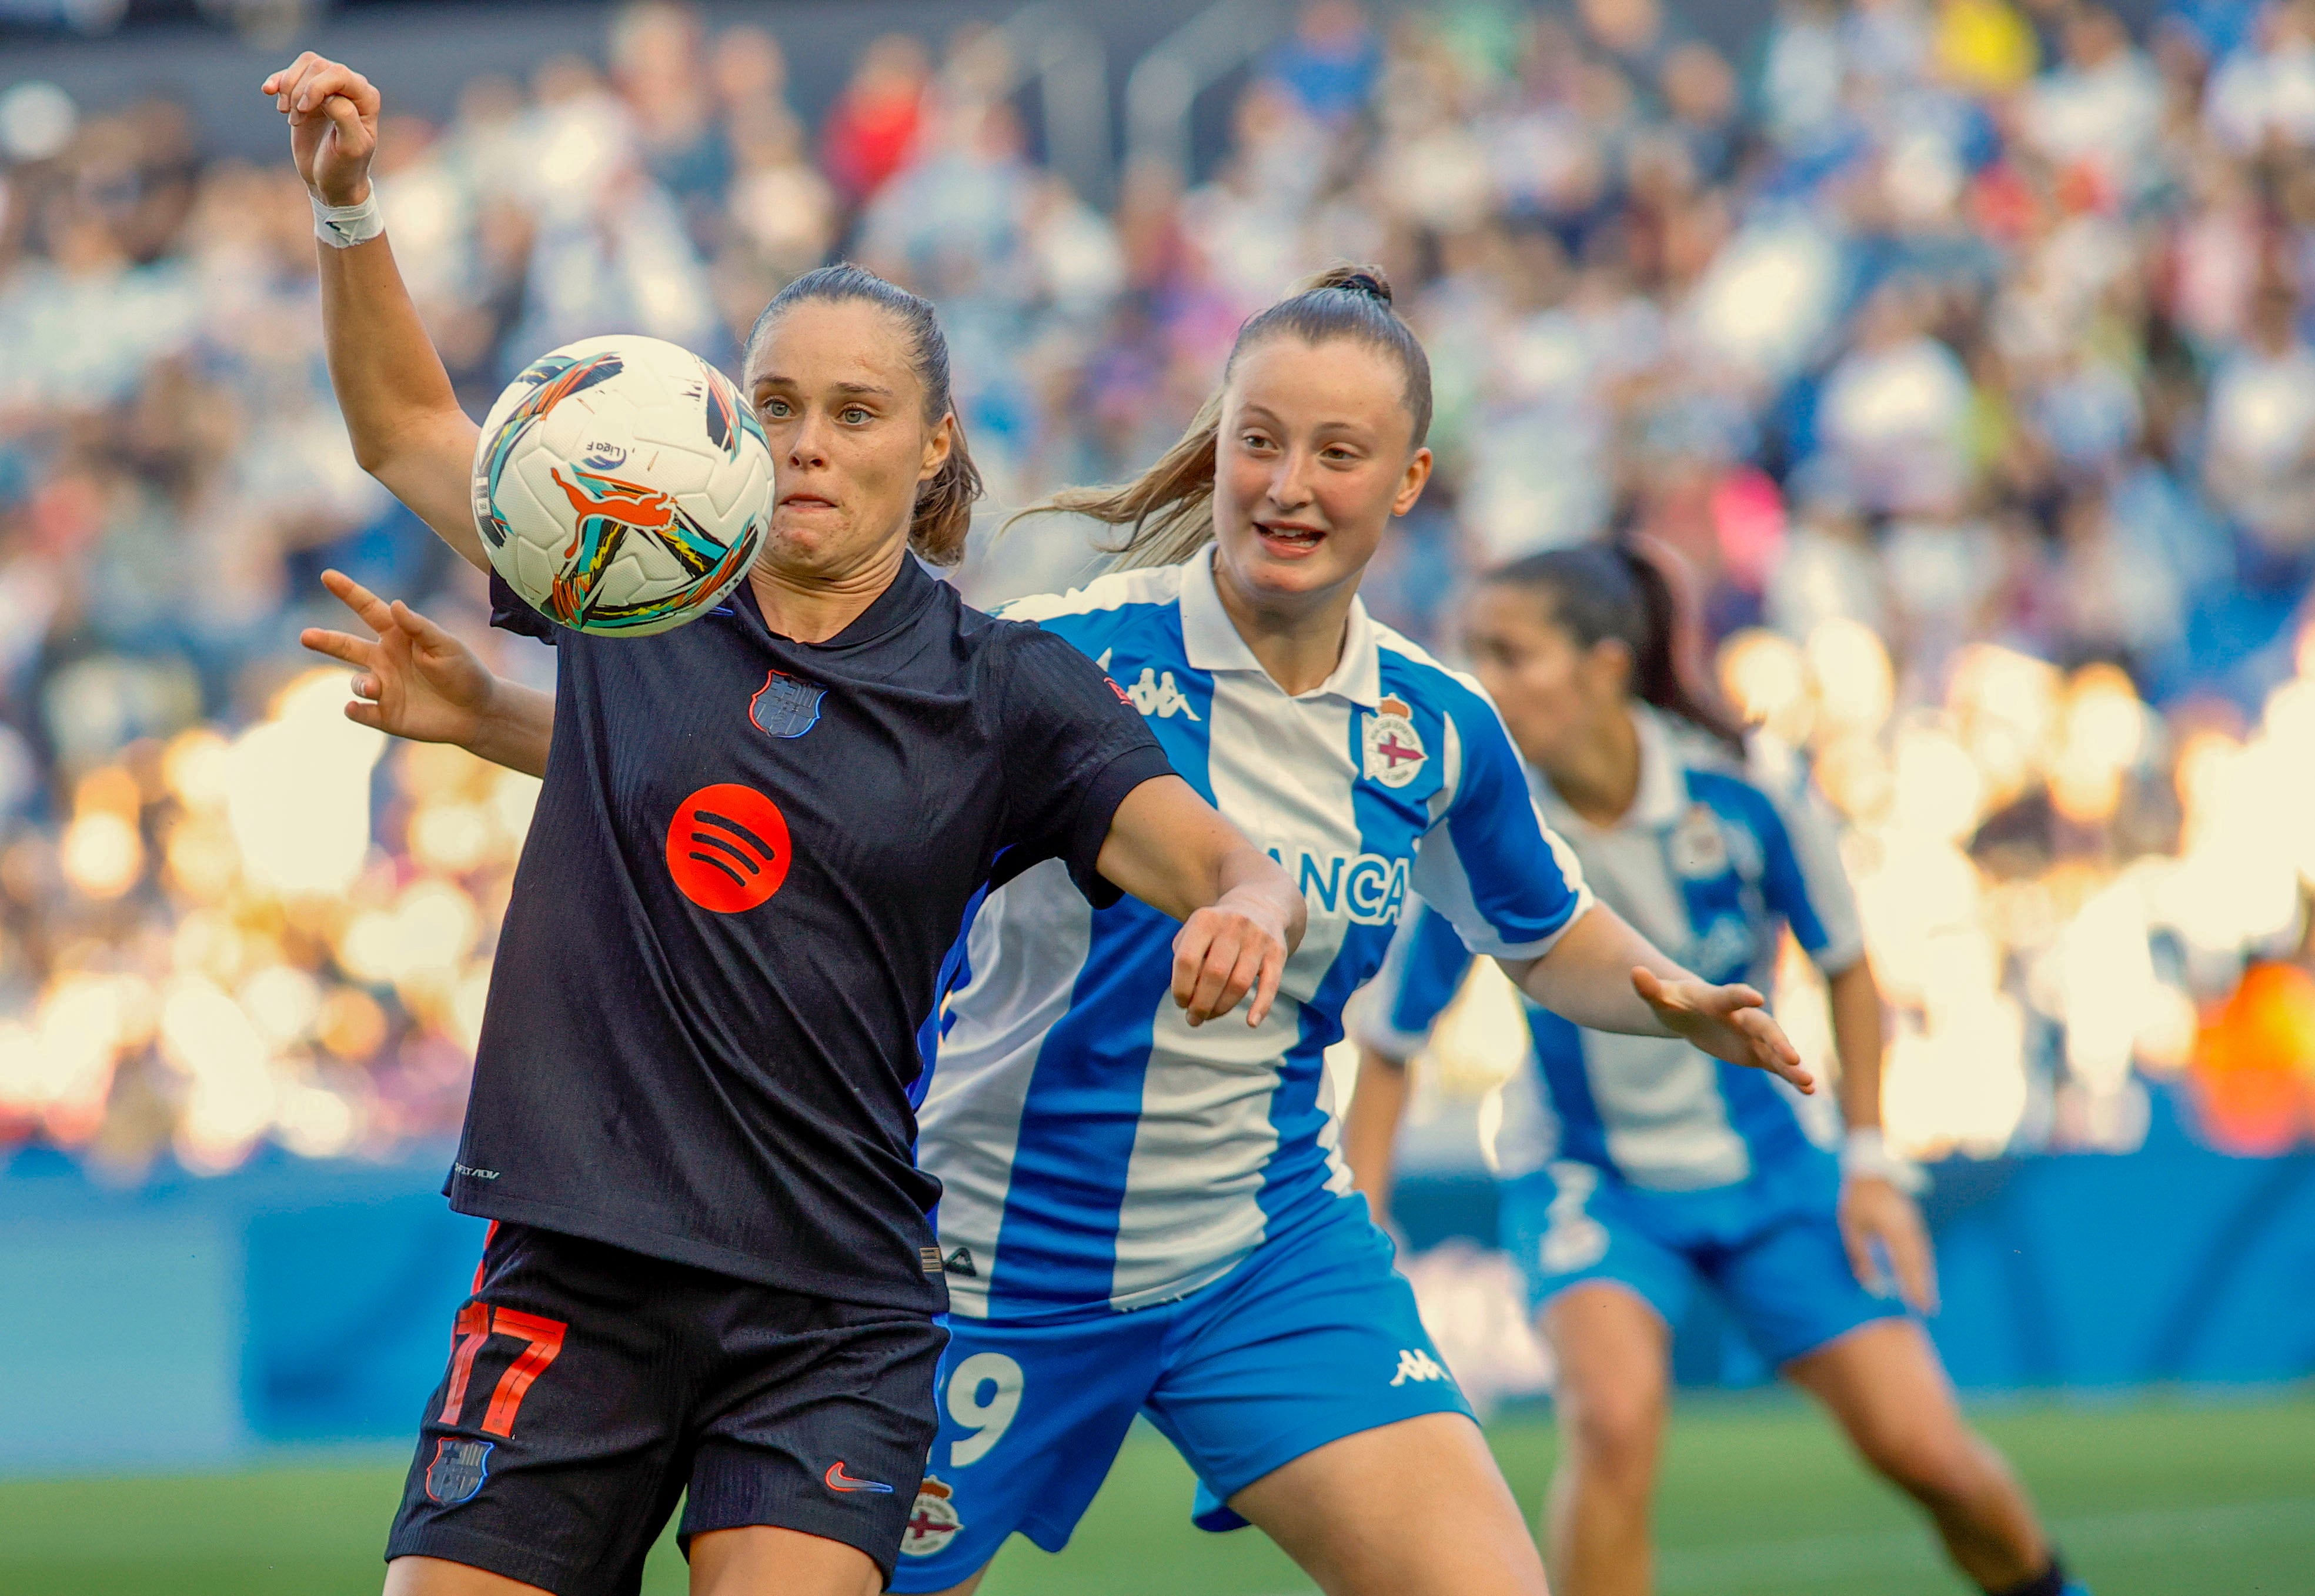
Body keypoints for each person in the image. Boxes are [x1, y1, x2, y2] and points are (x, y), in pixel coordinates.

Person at [332, 261, 1817, 1596]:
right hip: (986, 1249)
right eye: (1259, 441)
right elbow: (777, 784)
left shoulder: (1433, 726)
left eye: (1337, 453)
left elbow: (1539, 928)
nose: (1288, 484)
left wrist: (1669, 992)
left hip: (1258, 1243)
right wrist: (504, 722)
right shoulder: (1063, 655)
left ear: (1408, 479)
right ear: (1216, 446)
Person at [263, 54, 1305, 1596]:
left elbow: (1220, 856)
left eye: (856, 411)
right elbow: (410, 426)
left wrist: (1247, 908)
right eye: (778, 408)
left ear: (932, 444)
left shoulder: (1005, 690)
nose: (810, 441)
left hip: (828, 1302)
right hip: (577, 1261)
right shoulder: (629, 582)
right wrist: (350, 211)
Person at [1347, 542, 2090, 1596]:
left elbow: (1845, 963)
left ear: (1606, 667)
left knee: (1926, 1455)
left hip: (1776, 1181)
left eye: (1510, 655)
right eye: (1476, 656)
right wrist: (1361, 1239)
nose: (1485, 686)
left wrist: (1871, 1162)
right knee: (1611, 1422)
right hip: (1589, 1181)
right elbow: (1389, 1044)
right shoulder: (1480, 826)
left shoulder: (1746, 794)